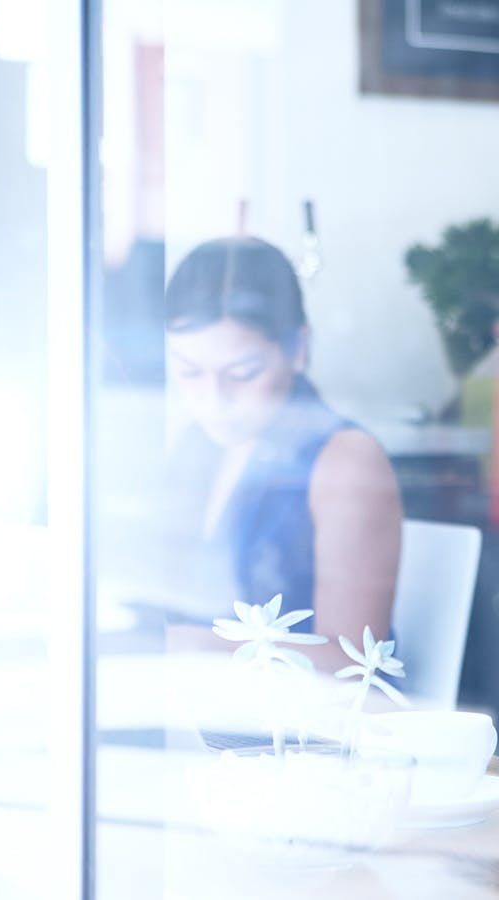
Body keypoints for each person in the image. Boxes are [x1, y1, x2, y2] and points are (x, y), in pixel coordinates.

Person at [155, 236, 402, 671]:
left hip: (308, 732)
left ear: (298, 349)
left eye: (243, 373)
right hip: (205, 710)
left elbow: (352, 667)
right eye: (189, 372)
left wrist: (181, 647)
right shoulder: (197, 445)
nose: (214, 399)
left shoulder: (346, 461)